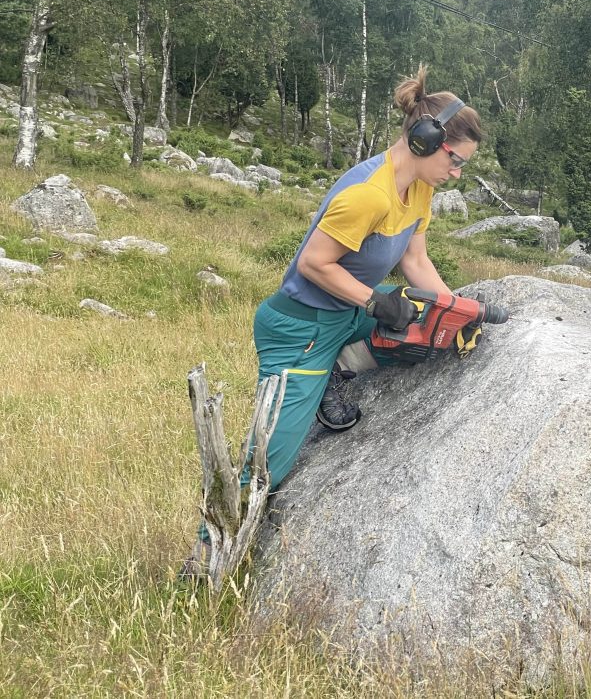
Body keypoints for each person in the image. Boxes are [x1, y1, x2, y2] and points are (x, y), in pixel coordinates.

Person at [182, 65, 481, 578]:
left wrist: (453, 309)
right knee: (270, 458)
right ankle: (206, 557)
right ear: (425, 140)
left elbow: (414, 261)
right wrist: (373, 302)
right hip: (300, 328)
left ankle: (340, 367)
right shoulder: (368, 192)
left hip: (345, 316)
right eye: (455, 161)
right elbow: (313, 265)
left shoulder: (420, 191)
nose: (456, 174)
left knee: (431, 332)